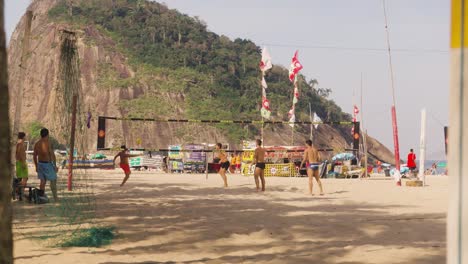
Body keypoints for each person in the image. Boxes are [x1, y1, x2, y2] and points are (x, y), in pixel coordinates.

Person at [33, 128, 58, 202]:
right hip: (47, 164)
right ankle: (55, 198)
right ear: (47, 135)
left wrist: (36, 166)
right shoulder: (48, 143)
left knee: (42, 181)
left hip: (40, 164)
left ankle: (41, 196)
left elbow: (34, 156)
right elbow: (52, 155)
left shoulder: (37, 144)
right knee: (53, 180)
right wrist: (55, 166)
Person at [16, 132, 28, 199]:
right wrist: (23, 162)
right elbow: (20, 153)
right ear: (23, 137)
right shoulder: (20, 144)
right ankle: (21, 192)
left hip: (19, 162)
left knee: (20, 178)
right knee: (25, 178)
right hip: (21, 162)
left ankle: (19, 192)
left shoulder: (18, 143)